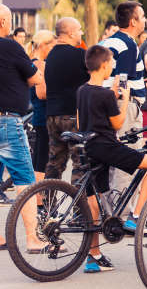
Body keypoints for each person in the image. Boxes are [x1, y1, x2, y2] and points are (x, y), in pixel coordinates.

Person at [76, 45, 147, 269]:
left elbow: (79, 121)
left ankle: (93, 257)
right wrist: (124, 100)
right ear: (104, 65)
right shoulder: (105, 94)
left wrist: (112, 96)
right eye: (111, 64)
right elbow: (117, 123)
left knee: (94, 200)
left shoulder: (82, 90)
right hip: (107, 146)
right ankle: (136, 216)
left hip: (89, 146)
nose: (112, 68)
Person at [0, 4, 48, 252]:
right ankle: (32, 238)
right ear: (3, 22)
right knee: (25, 179)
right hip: (6, 121)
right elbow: (35, 77)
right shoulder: (10, 46)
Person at [100, 2, 147, 210]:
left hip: (104, 103)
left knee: (109, 159)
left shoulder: (107, 42)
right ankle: (122, 213)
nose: (145, 20)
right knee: (127, 159)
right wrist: (124, 101)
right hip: (124, 106)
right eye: (142, 16)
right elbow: (122, 80)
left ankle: (109, 209)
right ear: (133, 21)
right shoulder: (128, 44)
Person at [44, 17, 89, 185]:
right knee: (80, 161)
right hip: (72, 115)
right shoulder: (79, 55)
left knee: (55, 162)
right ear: (70, 33)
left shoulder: (51, 56)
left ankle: (47, 199)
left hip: (52, 116)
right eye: (79, 30)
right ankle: (78, 201)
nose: (81, 33)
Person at [28, 30, 55, 186]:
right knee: (42, 159)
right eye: (52, 46)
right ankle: (39, 195)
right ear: (44, 45)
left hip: (38, 114)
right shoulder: (41, 64)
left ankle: (34, 193)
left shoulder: (31, 61)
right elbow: (42, 93)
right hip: (44, 115)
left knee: (38, 156)